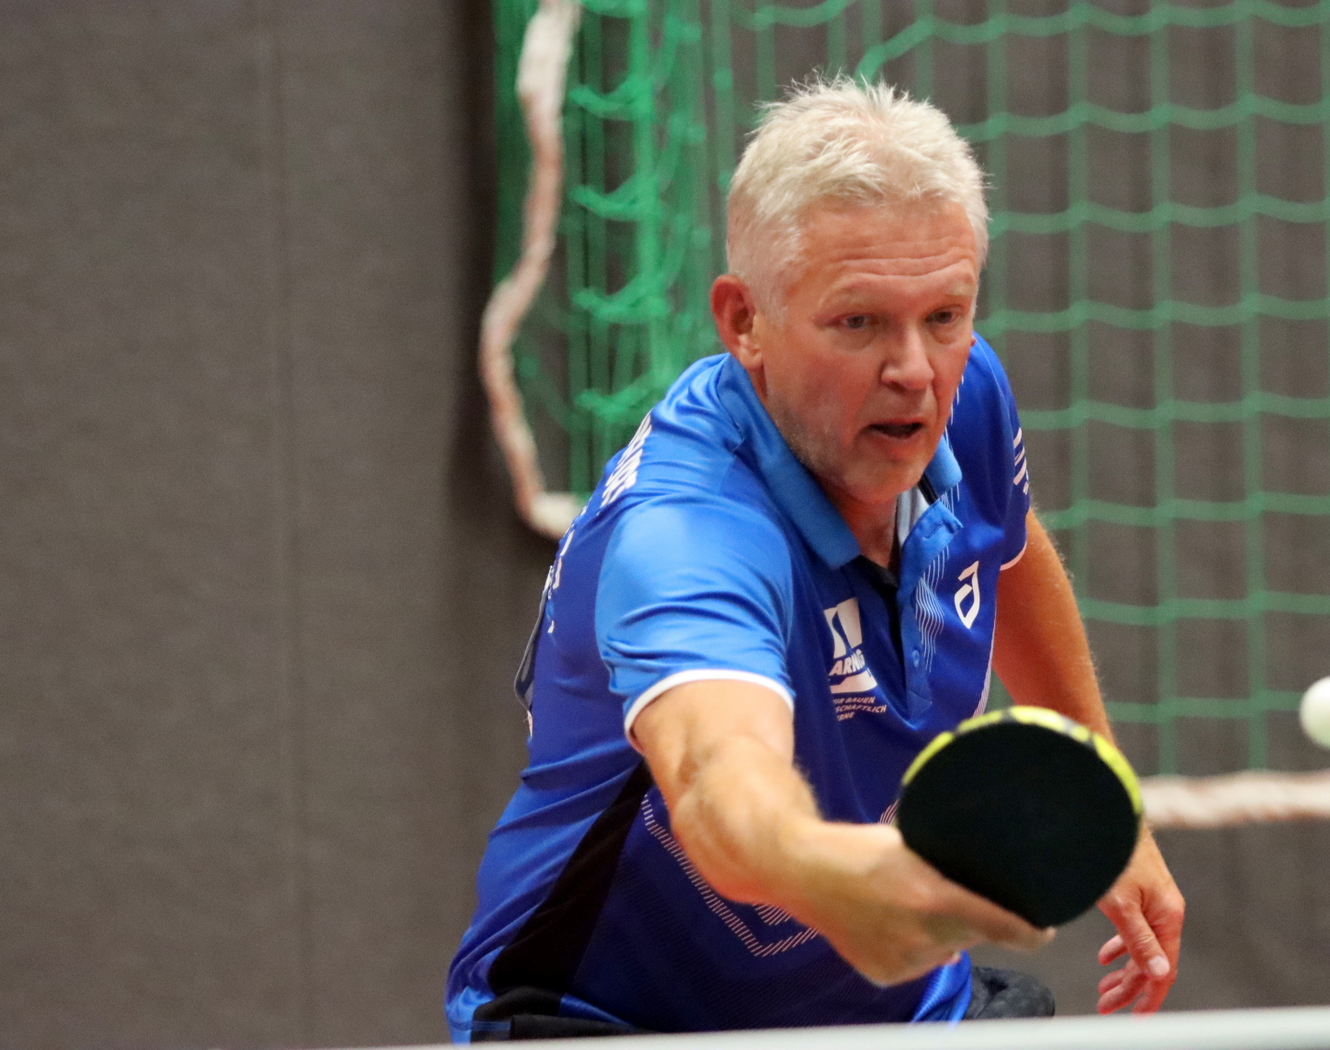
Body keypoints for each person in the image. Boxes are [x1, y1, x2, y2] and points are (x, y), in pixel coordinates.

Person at [446, 77, 1184, 1041]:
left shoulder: (961, 393)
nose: (914, 370)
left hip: (900, 1007)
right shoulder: (687, 534)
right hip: (614, 1018)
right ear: (743, 321)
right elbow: (716, 774)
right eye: (858, 322)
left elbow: (1005, 546)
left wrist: (1104, 790)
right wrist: (827, 870)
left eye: (946, 315)